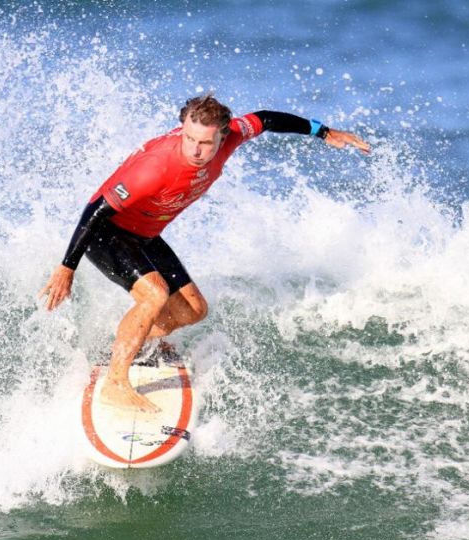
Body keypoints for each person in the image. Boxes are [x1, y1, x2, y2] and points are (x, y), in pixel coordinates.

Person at [40, 95, 370, 412]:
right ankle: (115, 383)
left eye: (205, 143)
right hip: (106, 233)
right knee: (155, 295)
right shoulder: (155, 167)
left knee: (194, 310)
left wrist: (323, 132)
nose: (195, 150)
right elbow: (95, 210)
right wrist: (67, 268)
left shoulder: (233, 136)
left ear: (222, 137)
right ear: (183, 127)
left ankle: (129, 343)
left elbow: (267, 119)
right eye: (189, 138)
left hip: (146, 233)